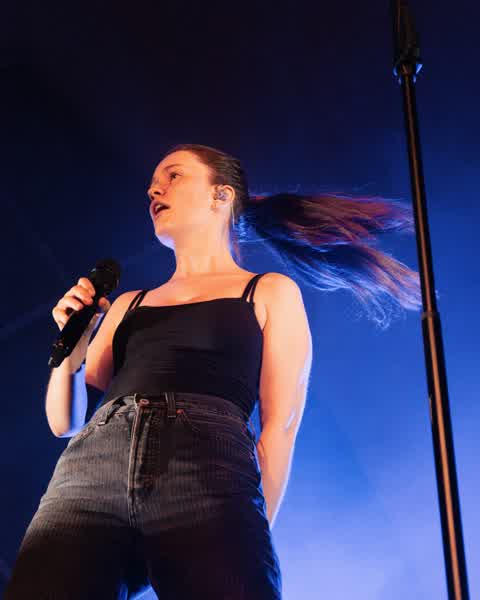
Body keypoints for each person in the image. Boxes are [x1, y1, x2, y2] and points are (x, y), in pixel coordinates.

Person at [6, 143, 421, 599]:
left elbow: (279, 430)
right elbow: (64, 422)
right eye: (152, 185)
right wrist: (73, 346)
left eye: (174, 175)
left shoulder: (268, 292)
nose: (154, 190)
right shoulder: (128, 303)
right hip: (91, 472)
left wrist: (254, 532)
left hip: (205, 468)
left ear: (220, 195)